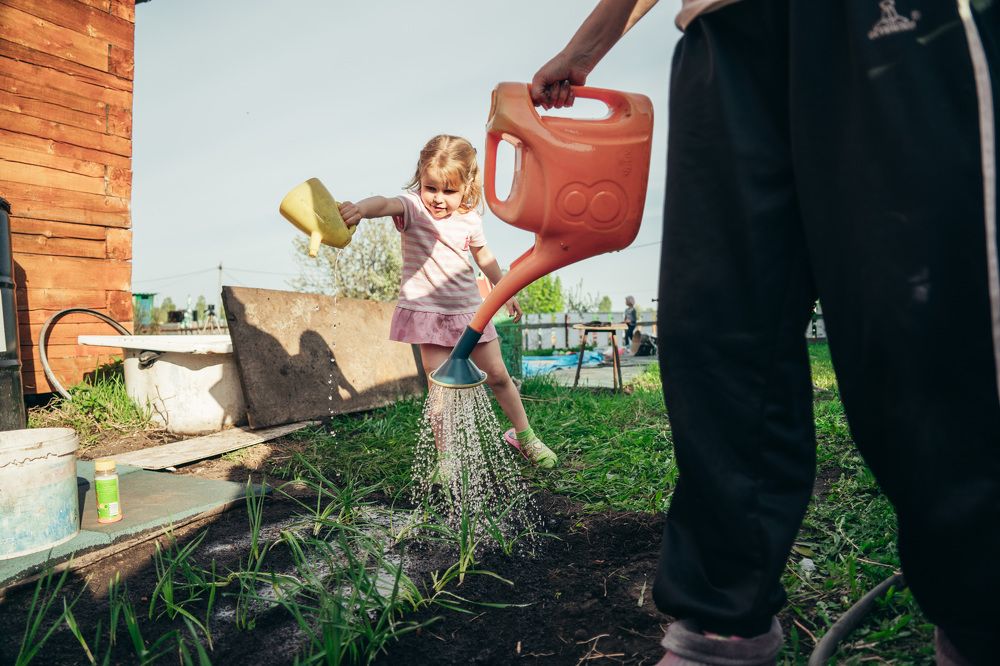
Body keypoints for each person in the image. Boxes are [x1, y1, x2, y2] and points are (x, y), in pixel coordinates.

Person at [532, 1, 999, 664]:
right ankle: (720, 624)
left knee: (924, 313)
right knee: (721, 329)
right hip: (722, 27)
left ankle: (981, 620)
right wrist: (586, 49)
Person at [337, 134, 558, 469]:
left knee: (498, 374)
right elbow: (383, 203)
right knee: (440, 389)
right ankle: (447, 458)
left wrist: (505, 288)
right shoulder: (412, 206)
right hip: (428, 314)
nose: (438, 198)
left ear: (467, 186)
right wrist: (361, 210)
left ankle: (523, 435)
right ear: (420, 181)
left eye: (449, 191)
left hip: (471, 314)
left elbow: (484, 258)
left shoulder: (470, 219)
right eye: (431, 188)